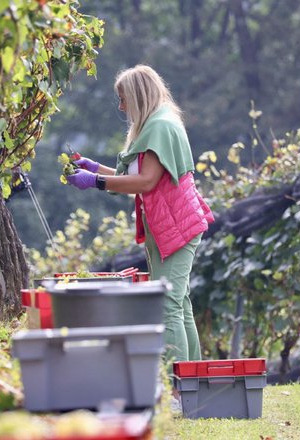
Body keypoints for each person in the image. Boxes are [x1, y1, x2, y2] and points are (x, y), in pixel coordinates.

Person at [66, 64, 214, 366]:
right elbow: (136, 176)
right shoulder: (156, 123)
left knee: (168, 303)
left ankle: (175, 386)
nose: (121, 107)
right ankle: (193, 381)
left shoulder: (160, 126)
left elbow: (145, 182)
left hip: (176, 226)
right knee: (179, 302)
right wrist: (96, 168)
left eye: (123, 99)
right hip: (170, 224)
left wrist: (95, 182)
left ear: (138, 95)